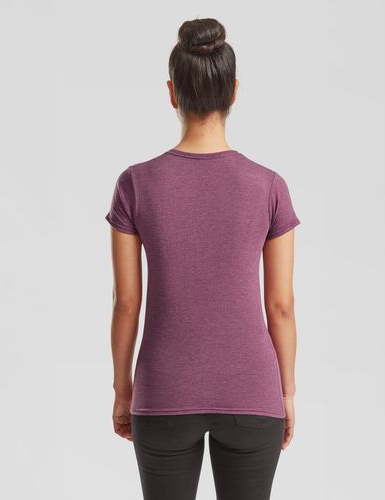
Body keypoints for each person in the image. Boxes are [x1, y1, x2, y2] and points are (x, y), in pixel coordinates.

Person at [105, 17, 301, 500]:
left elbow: (127, 303)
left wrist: (123, 390)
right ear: (233, 92)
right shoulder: (269, 187)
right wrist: (286, 392)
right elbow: (280, 306)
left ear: (173, 93)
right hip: (252, 393)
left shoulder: (135, 184)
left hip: (164, 391)